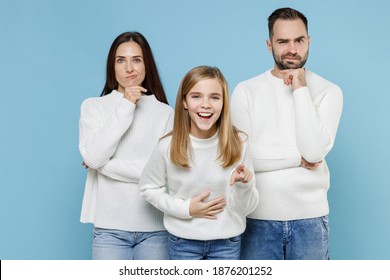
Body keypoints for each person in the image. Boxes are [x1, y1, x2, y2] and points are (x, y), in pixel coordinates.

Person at [231, 7, 343, 260]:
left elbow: (313, 151)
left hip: (310, 222)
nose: (292, 48)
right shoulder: (246, 91)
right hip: (257, 220)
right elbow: (242, 159)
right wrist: (297, 159)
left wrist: (300, 89)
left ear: (309, 41)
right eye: (283, 41)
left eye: (299, 40)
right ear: (269, 45)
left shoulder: (329, 91)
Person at [139, 66, 259, 260]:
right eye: (196, 96)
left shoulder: (240, 143)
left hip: (227, 244)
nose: (206, 104)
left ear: (224, 102)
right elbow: (147, 188)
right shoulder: (167, 145)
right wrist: (186, 209)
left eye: (214, 97)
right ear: (184, 102)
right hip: (183, 243)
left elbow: (247, 208)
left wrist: (245, 185)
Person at [78, 31, 174, 260]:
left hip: (155, 231)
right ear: (112, 66)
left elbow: (161, 174)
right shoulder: (93, 107)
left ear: (146, 64)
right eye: (121, 60)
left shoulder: (165, 112)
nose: (130, 68)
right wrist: (126, 105)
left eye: (137, 60)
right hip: (109, 229)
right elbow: (93, 157)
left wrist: (103, 165)